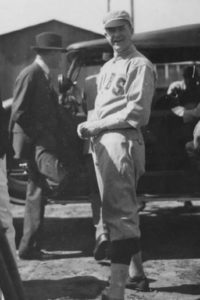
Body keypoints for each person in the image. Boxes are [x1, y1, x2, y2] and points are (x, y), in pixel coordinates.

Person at [77, 10, 156, 300]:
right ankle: (137, 275)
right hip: (103, 141)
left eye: (121, 29)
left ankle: (118, 290)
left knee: (120, 214)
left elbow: (137, 114)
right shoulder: (109, 65)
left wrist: (94, 125)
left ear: (131, 29)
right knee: (117, 211)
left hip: (121, 140)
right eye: (110, 31)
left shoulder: (140, 65)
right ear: (105, 34)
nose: (116, 35)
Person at [9, 32, 76, 260]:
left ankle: (28, 246)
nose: (60, 58)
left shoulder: (42, 74)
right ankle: (28, 246)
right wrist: (40, 136)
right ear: (48, 53)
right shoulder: (32, 74)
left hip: (40, 142)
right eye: (58, 54)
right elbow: (19, 111)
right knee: (60, 177)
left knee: (35, 194)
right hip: (36, 144)